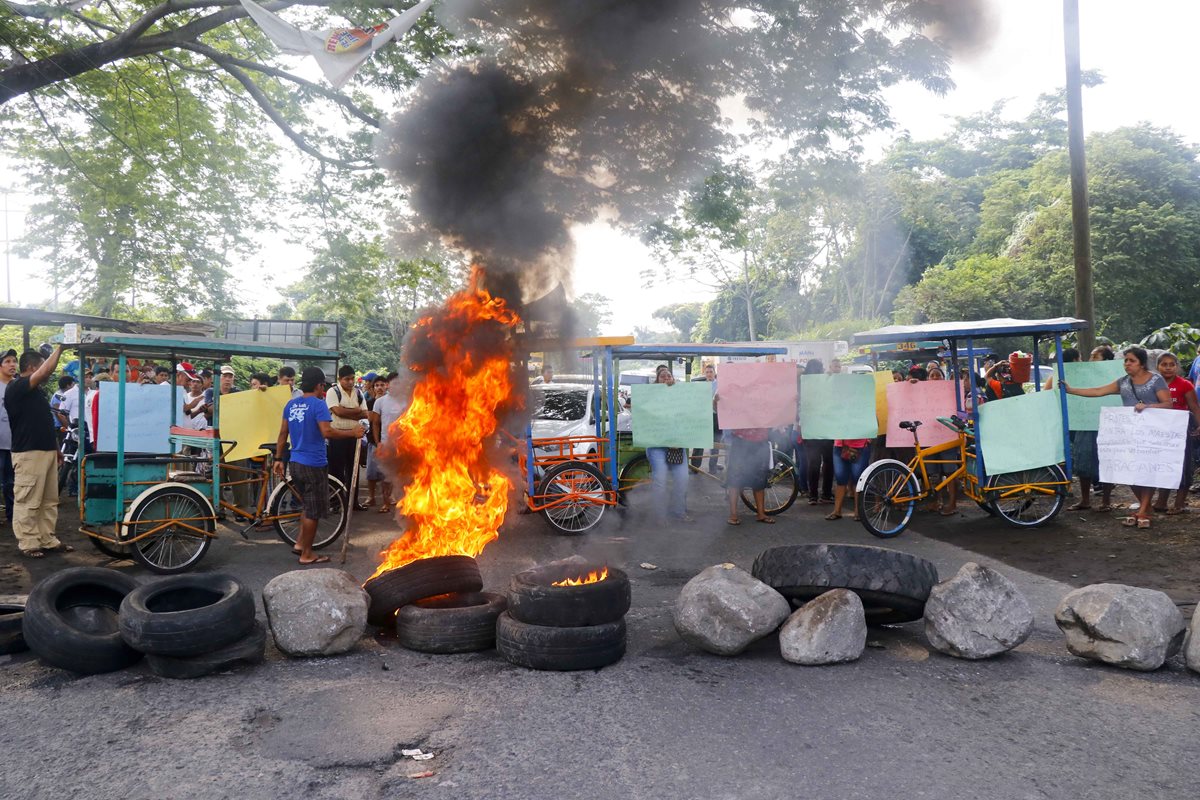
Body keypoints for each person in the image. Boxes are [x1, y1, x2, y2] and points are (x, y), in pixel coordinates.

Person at [1063, 346, 1172, 529]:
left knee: (1147, 470)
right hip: (1130, 433)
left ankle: (1144, 510)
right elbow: (1098, 391)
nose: (1127, 364)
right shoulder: (1124, 382)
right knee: (1131, 472)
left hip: (1151, 434)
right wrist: (1071, 390)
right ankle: (1146, 508)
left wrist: (1148, 406)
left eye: (1132, 361)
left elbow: (1168, 404)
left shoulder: (1155, 380)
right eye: (1126, 360)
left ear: (1142, 363)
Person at [273, 367, 362, 565]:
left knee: (307, 504)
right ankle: (307, 554)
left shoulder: (291, 404)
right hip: (313, 464)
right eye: (323, 385)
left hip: (295, 462)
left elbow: (282, 434)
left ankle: (299, 543)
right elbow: (327, 432)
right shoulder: (319, 405)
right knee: (313, 511)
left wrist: (278, 459)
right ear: (319, 385)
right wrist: (352, 433)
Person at [4, 345, 74, 557]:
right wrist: (60, 349)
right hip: (28, 452)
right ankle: (28, 542)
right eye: (42, 365)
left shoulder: (37, 392)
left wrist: (56, 449)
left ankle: (47, 539)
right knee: (28, 499)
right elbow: (45, 372)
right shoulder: (17, 387)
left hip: (46, 451)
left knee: (49, 499)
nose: (46, 370)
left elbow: (43, 422)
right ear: (33, 367)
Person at [1151, 352, 1200, 515]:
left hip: (1181, 430)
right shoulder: (1152, 384)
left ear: (1177, 366)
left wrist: (1199, 425)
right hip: (1159, 431)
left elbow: (1194, 408)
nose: (1168, 367)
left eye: (1172, 364)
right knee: (1163, 465)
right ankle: (1162, 501)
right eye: (1164, 364)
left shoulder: (1185, 385)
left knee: (1184, 465)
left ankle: (1179, 503)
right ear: (1157, 366)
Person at [644, 365, 690, 521]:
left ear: (674, 380)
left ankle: (679, 512)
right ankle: (660, 516)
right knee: (660, 480)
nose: (666, 378)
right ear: (656, 381)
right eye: (662, 376)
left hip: (677, 446)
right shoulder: (649, 397)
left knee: (683, 479)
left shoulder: (682, 397)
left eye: (668, 376)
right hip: (657, 446)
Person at [326, 364, 369, 508]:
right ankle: (335, 502)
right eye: (347, 379)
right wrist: (355, 411)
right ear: (340, 379)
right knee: (336, 470)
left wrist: (347, 411)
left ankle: (353, 502)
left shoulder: (358, 393)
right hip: (337, 436)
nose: (350, 382)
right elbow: (337, 412)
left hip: (354, 437)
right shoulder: (333, 391)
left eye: (352, 378)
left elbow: (365, 413)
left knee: (354, 471)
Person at [369, 372, 406, 513]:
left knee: (402, 475)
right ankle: (385, 503)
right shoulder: (380, 402)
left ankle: (402, 502)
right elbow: (375, 423)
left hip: (403, 444)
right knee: (386, 476)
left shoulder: (407, 400)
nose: (396, 385)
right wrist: (378, 442)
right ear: (388, 385)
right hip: (385, 443)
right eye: (393, 383)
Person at [723, 425, 774, 525]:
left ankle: (761, 513)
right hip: (740, 440)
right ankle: (733, 514)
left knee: (760, 477)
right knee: (735, 477)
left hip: (760, 440)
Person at [800, 359, 834, 505]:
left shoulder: (802, 384)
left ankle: (813, 495)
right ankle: (826, 494)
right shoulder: (827, 383)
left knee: (813, 463)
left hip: (810, 429)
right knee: (828, 462)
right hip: (827, 428)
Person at [826, 436, 871, 521]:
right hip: (840, 445)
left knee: (858, 479)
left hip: (860, 445)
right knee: (840, 478)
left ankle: (858, 511)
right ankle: (837, 511)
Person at [0, 349, 17, 523]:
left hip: (14, 442)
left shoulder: (18, 385)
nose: (12, 364)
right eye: (7, 361)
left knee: (11, 483)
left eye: (14, 361)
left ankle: (12, 516)